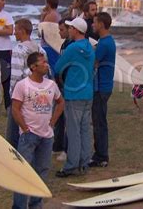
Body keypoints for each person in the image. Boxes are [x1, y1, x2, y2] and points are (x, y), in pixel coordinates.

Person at [11, 52, 65, 209]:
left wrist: (53, 122)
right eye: (43, 62)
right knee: (23, 172)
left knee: (42, 171)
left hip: (47, 136)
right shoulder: (22, 85)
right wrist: (25, 128)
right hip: (29, 136)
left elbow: (61, 102)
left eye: (46, 62)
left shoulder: (51, 85)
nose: (46, 64)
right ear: (33, 67)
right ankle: (19, 206)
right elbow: (15, 109)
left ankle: (36, 205)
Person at [54, 17, 95, 177]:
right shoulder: (90, 47)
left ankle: (71, 165)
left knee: (73, 130)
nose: (68, 30)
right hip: (87, 92)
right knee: (84, 129)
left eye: (70, 28)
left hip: (73, 92)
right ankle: (84, 162)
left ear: (76, 30)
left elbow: (58, 67)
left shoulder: (72, 48)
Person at [7, 18, 47, 149]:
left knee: (14, 129)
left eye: (16, 30)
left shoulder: (19, 49)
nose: (13, 33)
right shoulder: (39, 49)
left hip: (22, 93)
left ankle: (15, 155)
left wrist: (12, 94)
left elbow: (16, 75)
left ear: (23, 31)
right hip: (37, 91)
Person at [89, 12, 116, 168]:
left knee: (99, 122)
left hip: (101, 88)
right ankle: (101, 154)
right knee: (100, 121)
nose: (92, 25)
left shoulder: (104, 43)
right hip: (104, 86)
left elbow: (93, 63)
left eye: (94, 22)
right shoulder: (106, 41)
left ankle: (101, 156)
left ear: (101, 24)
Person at [53, 18, 74, 162]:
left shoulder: (72, 45)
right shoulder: (65, 44)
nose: (59, 32)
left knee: (68, 118)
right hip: (60, 84)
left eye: (62, 30)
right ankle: (58, 146)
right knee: (59, 116)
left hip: (67, 85)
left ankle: (67, 149)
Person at [39, 0, 61, 76]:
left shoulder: (50, 15)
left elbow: (41, 31)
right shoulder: (57, 14)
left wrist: (42, 16)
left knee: (50, 68)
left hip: (48, 46)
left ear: (48, 3)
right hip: (54, 45)